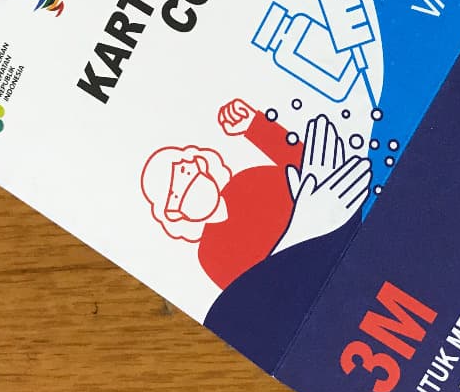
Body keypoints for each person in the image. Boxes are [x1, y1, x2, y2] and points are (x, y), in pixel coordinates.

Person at [140, 99, 371, 289]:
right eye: (176, 192)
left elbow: (307, 164)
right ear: (173, 212)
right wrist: (300, 233)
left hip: (356, 236)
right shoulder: (210, 255)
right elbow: (260, 294)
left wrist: (255, 126)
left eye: (186, 170)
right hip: (324, 285)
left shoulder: (246, 182)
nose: (188, 182)